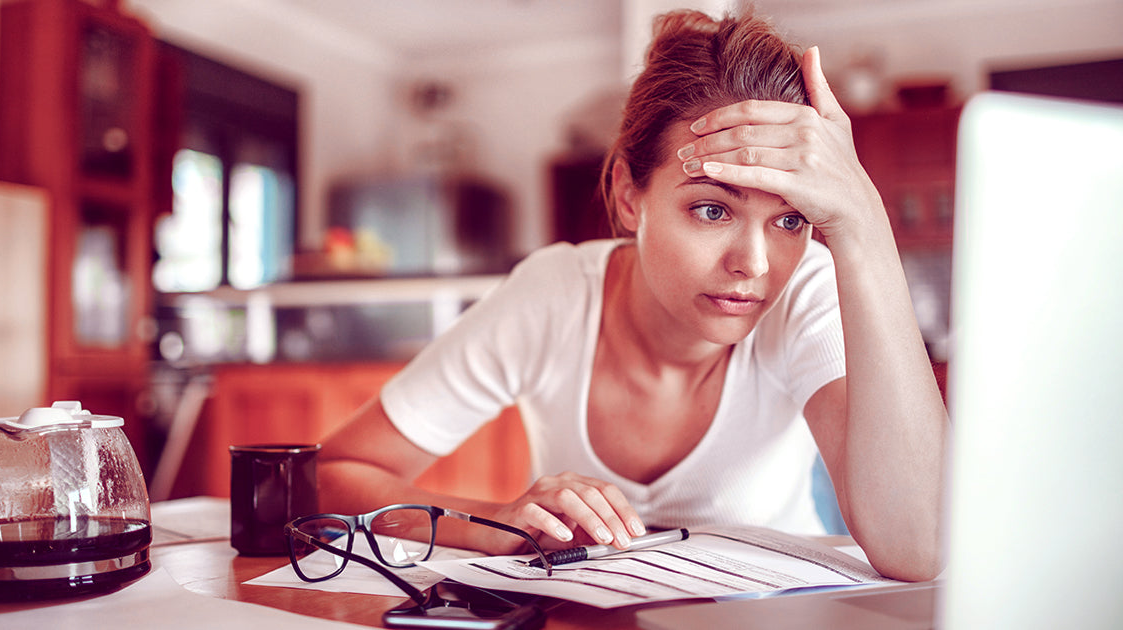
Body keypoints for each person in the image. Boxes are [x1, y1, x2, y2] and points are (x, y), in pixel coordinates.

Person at [316, 10, 947, 582]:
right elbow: (330, 474)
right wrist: (496, 522)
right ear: (627, 195)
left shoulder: (804, 291)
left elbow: (922, 549)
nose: (753, 265)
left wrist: (861, 218)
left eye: (789, 220)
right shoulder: (555, 297)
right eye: (710, 209)